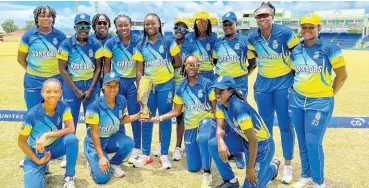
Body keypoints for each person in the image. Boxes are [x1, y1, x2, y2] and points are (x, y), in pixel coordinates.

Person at [290, 13, 348, 188]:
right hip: (298, 101)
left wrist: (328, 94)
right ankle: (305, 176)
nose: (307, 30)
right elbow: (295, 72)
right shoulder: (296, 50)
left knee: (313, 142)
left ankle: (318, 181)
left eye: (311, 27)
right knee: (301, 140)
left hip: (320, 103)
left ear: (319, 28)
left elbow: (342, 76)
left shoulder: (329, 48)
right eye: (304, 27)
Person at [144, 55, 216, 187]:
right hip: (190, 125)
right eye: (188, 65)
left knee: (203, 138)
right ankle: (203, 154)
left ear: (198, 66)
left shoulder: (207, 83)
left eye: (194, 64)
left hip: (206, 120)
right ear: (184, 66)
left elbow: (215, 109)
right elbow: (177, 111)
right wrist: (158, 118)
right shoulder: (181, 87)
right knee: (193, 167)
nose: (191, 67)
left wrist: (219, 129)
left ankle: (207, 172)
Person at [247, 2, 299, 183]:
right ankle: (267, 164)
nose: (262, 19)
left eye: (265, 15)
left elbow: (298, 54)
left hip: (284, 83)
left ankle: (287, 166)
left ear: (272, 16)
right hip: (263, 86)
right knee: (265, 128)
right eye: (259, 16)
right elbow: (252, 61)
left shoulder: (285, 33)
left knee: (285, 125)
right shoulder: (252, 38)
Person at [208, 75, 280, 188]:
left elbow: (254, 140)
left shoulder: (239, 108)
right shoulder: (220, 104)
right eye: (215, 90)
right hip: (244, 140)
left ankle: (272, 168)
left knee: (250, 185)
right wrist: (220, 140)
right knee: (213, 144)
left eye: (221, 91)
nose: (217, 94)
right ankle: (230, 181)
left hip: (262, 146)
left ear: (230, 91)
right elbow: (220, 127)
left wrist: (250, 168)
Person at [17, 5, 67, 168]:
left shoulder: (60, 36)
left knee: (56, 115)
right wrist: (35, 73)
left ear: (53, 18)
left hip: (55, 82)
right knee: (33, 117)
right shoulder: (29, 35)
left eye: (49, 16)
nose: (46, 19)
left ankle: (56, 151)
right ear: (36, 18)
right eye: (42, 16)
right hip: (33, 82)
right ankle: (31, 153)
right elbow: (21, 59)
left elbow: (65, 59)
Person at [132, 13, 182, 169]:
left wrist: (164, 70)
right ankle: (146, 155)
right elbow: (139, 70)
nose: (150, 26)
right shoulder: (140, 44)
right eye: (147, 24)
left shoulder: (168, 41)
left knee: (165, 119)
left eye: (153, 23)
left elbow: (178, 62)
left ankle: (164, 155)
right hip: (148, 87)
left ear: (159, 24)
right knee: (146, 119)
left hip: (166, 85)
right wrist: (141, 90)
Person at [57, 13, 103, 167]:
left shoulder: (95, 44)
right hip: (72, 87)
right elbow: (62, 69)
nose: (83, 29)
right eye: (80, 26)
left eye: (86, 26)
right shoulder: (66, 44)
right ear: (75, 28)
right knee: (71, 121)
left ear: (89, 27)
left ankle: (92, 153)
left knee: (92, 121)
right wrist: (76, 89)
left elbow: (98, 68)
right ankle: (67, 154)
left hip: (91, 86)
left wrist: (90, 89)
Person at [213, 11, 256, 169]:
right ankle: (231, 150)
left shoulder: (245, 41)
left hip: (239, 83)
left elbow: (252, 63)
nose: (227, 26)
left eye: (230, 23)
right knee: (225, 117)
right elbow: (216, 61)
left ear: (236, 24)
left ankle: (240, 154)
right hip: (222, 85)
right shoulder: (218, 43)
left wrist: (243, 76)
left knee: (239, 117)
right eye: (225, 24)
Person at [18, 78, 78, 188]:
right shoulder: (31, 115)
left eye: (56, 91)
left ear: (61, 92)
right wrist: (37, 160)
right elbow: (21, 143)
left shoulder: (64, 106)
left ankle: (69, 177)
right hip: (37, 152)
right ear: (42, 93)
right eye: (48, 91)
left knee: (71, 139)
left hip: (55, 147)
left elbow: (71, 129)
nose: (52, 95)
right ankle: (42, 166)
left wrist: (47, 135)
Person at [84, 72, 138, 184]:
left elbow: (122, 119)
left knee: (128, 143)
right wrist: (101, 157)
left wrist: (139, 115)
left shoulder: (122, 100)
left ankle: (114, 163)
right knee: (102, 178)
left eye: (115, 85)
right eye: (109, 85)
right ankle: (92, 160)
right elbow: (94, 134)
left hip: (109, 139)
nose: (112, 89)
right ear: (103, 86)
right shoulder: (94, 106)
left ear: (119, 86)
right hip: (94, 143)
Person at [153, 18, 195, 161]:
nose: (179, 31)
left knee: (180, 117)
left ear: (186, 32)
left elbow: (192, 64)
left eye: (183, 29)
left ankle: (178, 147)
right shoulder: (166, 42)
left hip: (183, 84)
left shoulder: (190, 46)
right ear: (173, 28)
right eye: (177, 27)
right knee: (164, 114)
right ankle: (160, 144)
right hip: (168, 82)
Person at [103, 14, 141, 164]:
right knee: (116, 116)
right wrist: (106, 84)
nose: (123, 28)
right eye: (120, 26)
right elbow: (107, 65)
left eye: (126, 25)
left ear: (130, 25)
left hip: (132, 83)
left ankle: (137, 147)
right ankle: (120, 144)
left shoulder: (138, 40)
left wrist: (139, 87)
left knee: (134, 115)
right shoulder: (111, 43)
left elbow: (139, 67)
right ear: (116, 27)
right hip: (116, 84)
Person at [186, 11, 218, 81]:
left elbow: (216, 59)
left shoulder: (214, 38)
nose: (201, 24)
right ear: (195, 23)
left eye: (204, 21)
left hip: (209, 74)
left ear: (208, 24)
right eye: (199, 21)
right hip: (193, 73)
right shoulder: (188, 37)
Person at [90, 13, 113, 87]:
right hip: (91, 78)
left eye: (105, 23)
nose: (102, 25)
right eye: (99, 23)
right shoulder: (89, 40)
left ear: (108, 24)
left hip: (110, 77)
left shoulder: (113, 40)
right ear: (94, 25)